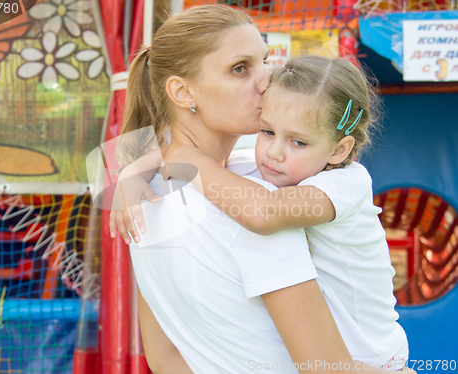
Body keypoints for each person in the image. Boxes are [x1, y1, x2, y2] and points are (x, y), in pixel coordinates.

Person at [109, 5, 413, 374]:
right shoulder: (251, 201)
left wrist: (141, 167)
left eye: (265, 61)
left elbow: (165, 359)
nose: (266, 80)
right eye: (241, 69)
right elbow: (326, 368)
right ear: (183, 90)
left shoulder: (146, 200)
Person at [164, 55, 409, 370]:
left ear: (338, 150)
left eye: (298, 142)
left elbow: (264, 213)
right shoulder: (266, 168)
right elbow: (175, 162)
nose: (274, 152)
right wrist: (132, 188)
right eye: (267, 132)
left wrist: (187, 158)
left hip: (373, 360)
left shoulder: (346, 184)